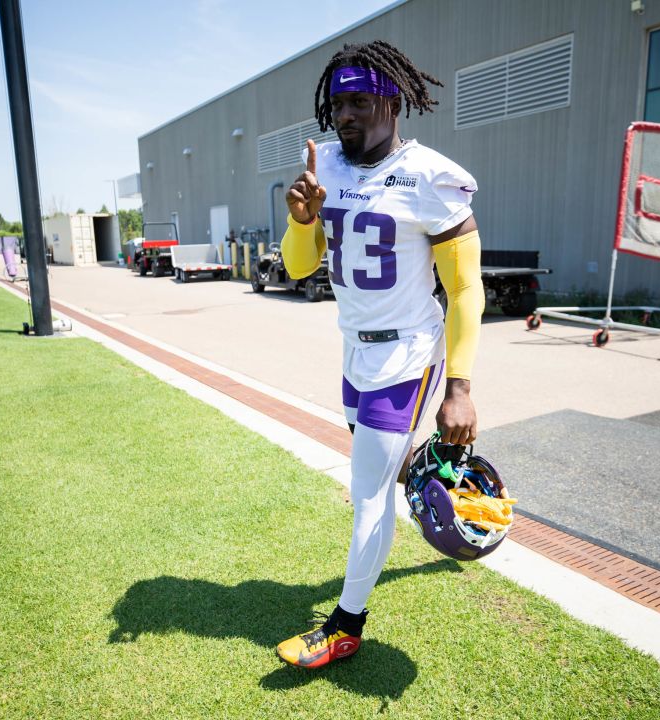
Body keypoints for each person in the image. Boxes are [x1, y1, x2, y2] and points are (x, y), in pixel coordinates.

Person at [274, 40, 485, 669]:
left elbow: (466, 287)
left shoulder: (430, 177)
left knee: (367, 491)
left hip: (407, 355)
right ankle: (427, 467)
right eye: (338, 102)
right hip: (353, 353)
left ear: (392, 103)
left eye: (359, 101)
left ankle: (345, 625)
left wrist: (461, 387)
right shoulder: (328, 170)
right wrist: (303, 222)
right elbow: (297, 269)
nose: (345, 114)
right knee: (383, 467)